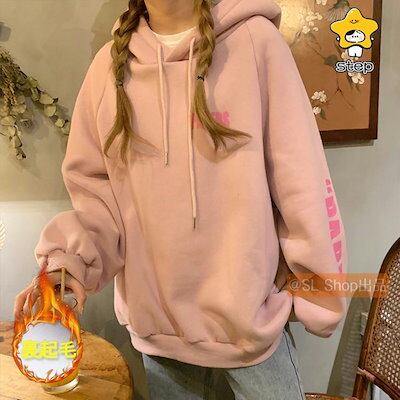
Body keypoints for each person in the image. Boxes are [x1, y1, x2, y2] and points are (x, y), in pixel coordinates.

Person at [14, 0, 348, 398]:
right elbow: (97, 201)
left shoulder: (256, 43)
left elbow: (301, 179)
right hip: (159, 330)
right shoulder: (108, 68)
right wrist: (69, 263)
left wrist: (320, 289)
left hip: (250, 326)